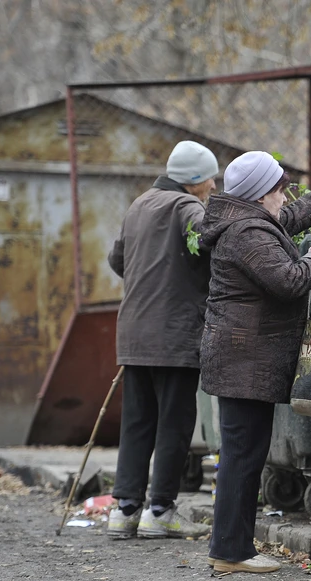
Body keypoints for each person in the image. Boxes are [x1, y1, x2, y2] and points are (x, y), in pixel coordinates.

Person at [199, 151, 311, 573]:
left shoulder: (249, 222)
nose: (284, 196)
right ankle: (230, 552)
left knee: (245, 454)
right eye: (279, 188)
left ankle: (231, 548)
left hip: (241, 358)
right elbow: (288, 281)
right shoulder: (247, 233)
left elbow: (288, 219)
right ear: (260, 194)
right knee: (242, 455)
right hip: (243, 360)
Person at [106, 140, 219, 540]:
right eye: (209, 178)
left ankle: (124, 511)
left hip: (134, 332)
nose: (212, 185)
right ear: (193, 179)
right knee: (173, 423)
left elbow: (117, 260)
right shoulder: (187, 207)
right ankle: (161, 510)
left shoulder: (140, 204)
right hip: (173, 335)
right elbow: (212, 248)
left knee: (137, 422)